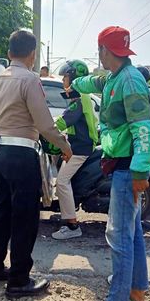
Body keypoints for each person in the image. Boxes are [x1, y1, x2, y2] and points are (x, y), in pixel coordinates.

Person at [68, 26, 150, 301]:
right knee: (132, 232)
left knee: (118, 236)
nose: (99, 56)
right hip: (120, 164)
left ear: (104, 50)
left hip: (126, 167)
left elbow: (143, 129)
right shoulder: (115, 77)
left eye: (99, 51)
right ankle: (137, 288)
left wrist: (140, 173)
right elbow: (92, 81)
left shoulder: (130, 82)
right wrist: (73, 83)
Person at [0, 30, 72, 297]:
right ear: (32, 55)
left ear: (9, 53)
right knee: (25, 218)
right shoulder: (30, 79)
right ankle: (19, 280)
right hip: (22, 155)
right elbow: (44, 124)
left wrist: (7, 128)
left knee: (2, 211)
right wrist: (64, 146)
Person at [51, 60, 98, 240]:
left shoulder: (79, 100)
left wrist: (44, 128)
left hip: (80, 148)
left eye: (66, 77)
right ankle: (65, 209)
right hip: (79, 145)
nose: (63, 81)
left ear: (74, 79)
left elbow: (63, 121)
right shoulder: (81, 97)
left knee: (62, 182)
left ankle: (71, 226)